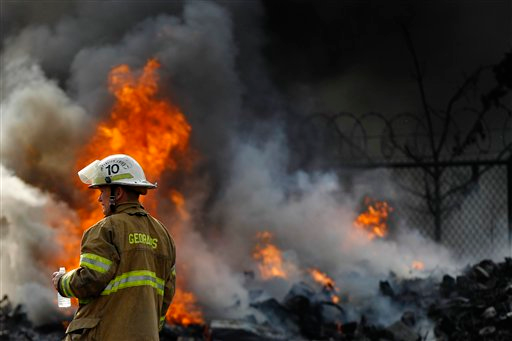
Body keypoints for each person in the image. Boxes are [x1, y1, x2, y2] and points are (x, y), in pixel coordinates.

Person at [52, 154, 176, 340]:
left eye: (101, 191)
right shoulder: (164, 235)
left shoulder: (105, 229)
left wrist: (62, 282)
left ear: (117, 193)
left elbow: (89, 280)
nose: (99, 199)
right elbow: (167, 293)